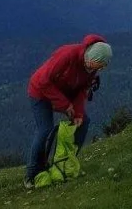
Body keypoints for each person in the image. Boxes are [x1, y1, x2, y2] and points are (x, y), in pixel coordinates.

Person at [25, 34, 111, 187]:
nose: (101, 69)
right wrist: (65, 105)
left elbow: (83, 90)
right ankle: (32, 174)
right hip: (40, 91)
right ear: (92, 58)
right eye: (100, 65)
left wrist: (77, 112)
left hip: (64, 94)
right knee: (45, 130)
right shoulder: (67, 55)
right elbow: (44, 81)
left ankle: (66, 165)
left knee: (83, 122)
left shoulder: (91, 67)